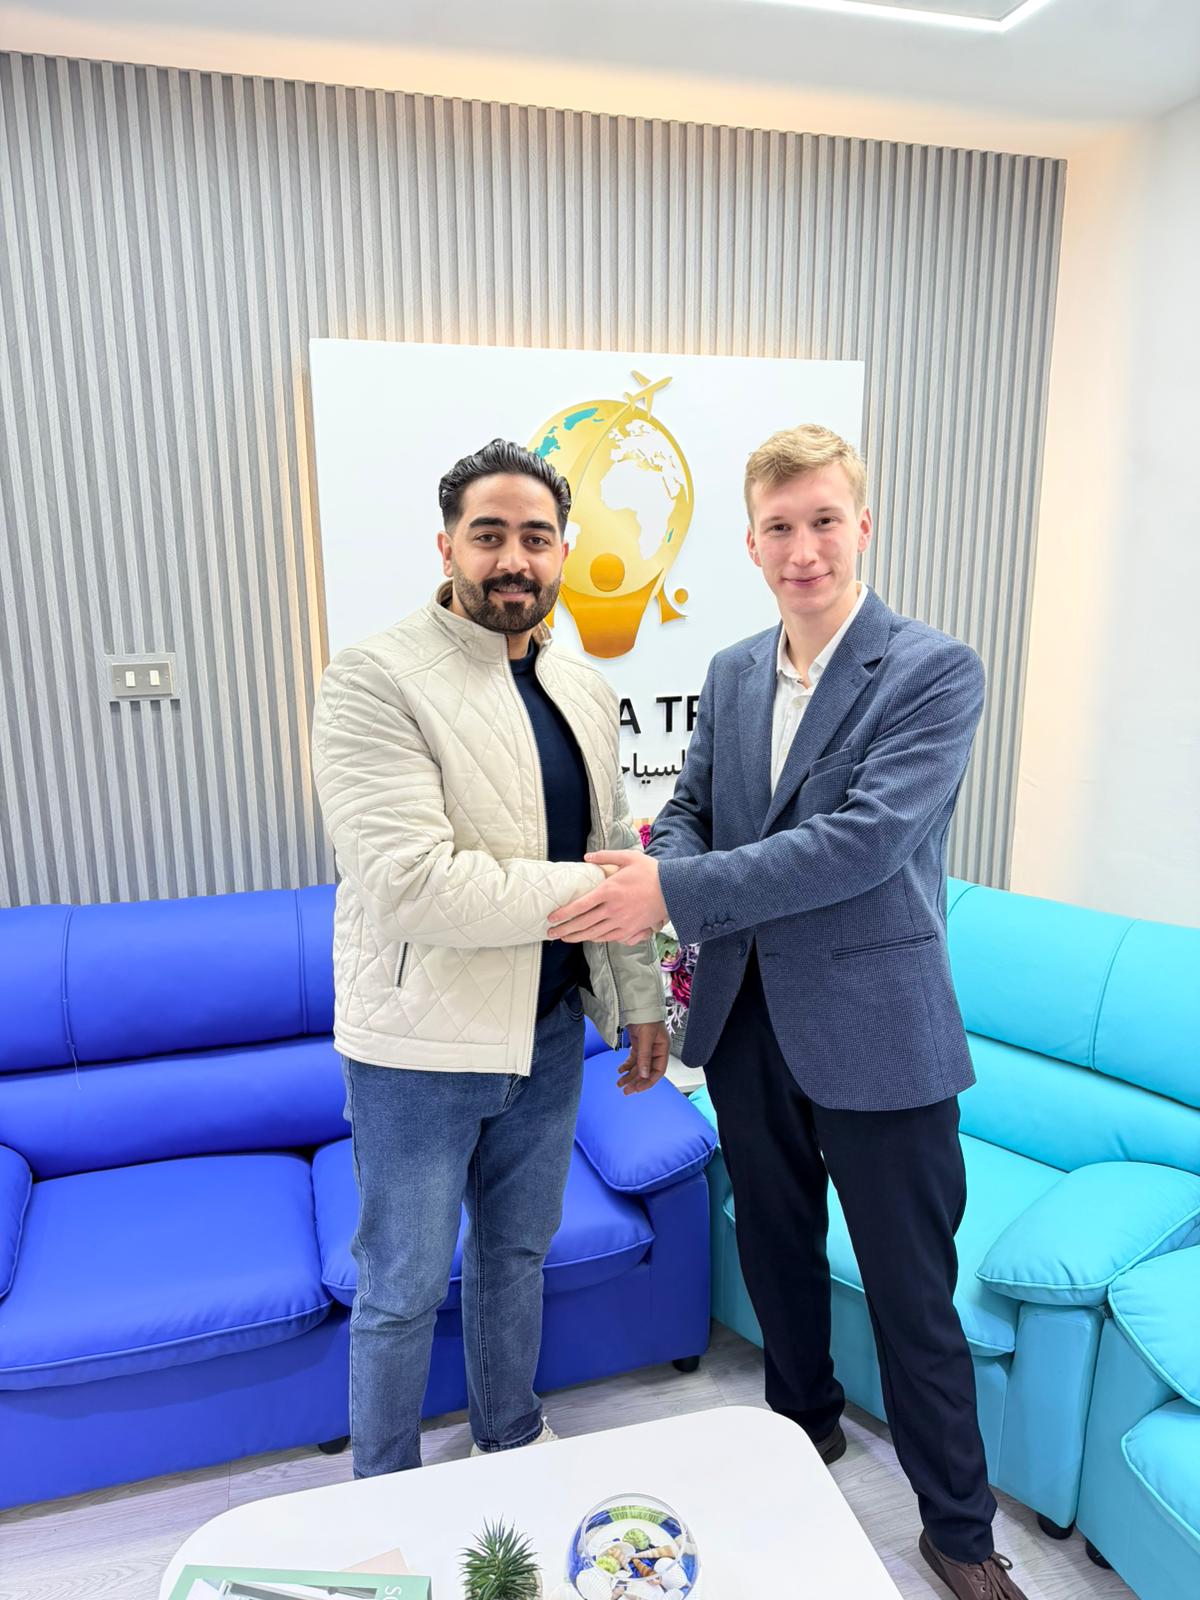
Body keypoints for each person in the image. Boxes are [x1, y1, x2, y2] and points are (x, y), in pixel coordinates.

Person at [547, 425, 1029, 1599]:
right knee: (775, 1251)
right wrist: (668, 860)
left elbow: (861, 845)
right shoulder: (732, 671)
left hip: (881, 1031)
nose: (803, 548)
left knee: (913, 1296)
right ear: (752, 543)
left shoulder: (933, 670)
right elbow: (692, 808)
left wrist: (672, 889)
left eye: (823, 522)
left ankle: (959, 1534)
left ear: (862, 527)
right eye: (780, 527)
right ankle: (802, 1430)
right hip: (746, 1016)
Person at [312, 438, 669, 1477]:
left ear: (563, 552)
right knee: (402, 1285)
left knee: (517, 1256)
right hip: (418, 1050)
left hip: (549, 1038)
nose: (514, 559)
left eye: (536, 537)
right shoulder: (374, 678)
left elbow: (614, 844)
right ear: (448, 547)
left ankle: (508, 1435)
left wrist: (640, 999)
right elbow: (412, 883)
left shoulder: (583, 686)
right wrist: (596, 892)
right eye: (490, 535)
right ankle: (383, 1492)